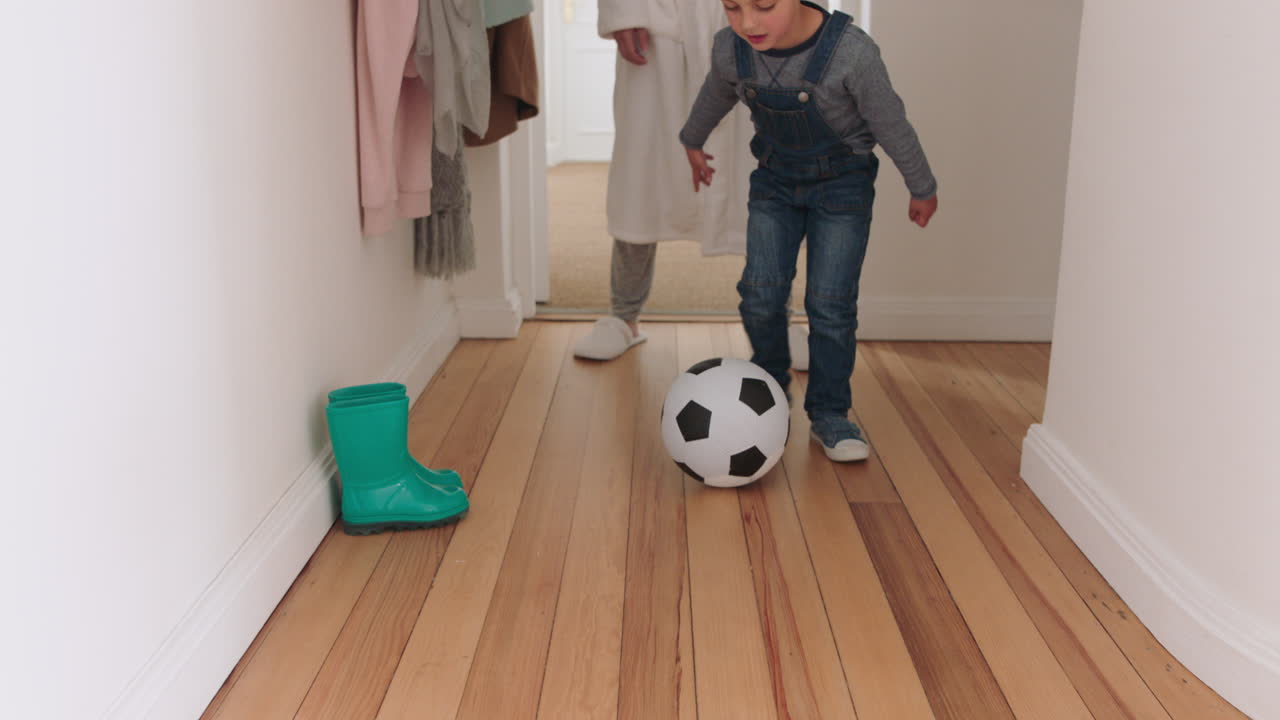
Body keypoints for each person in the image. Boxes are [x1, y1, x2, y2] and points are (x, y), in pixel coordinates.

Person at [681, 0, 938, 461]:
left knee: (830, 304)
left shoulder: (851, 54)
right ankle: (769, 390)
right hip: (775, 182)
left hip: (843, 188)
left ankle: (831, 414)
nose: (748, 23)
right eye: (732, 8)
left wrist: (921, 187)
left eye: (763, 5)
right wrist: (691, 141)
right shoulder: (731, 50)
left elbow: (891, 123)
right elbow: (713, 96)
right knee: (759, 292)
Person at [574, 0, 812, 362]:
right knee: (641, 171)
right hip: (658, 21)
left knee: (769, 169)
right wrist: (623, 12)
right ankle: (623, 316)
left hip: (756, 20)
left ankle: (779, 320)